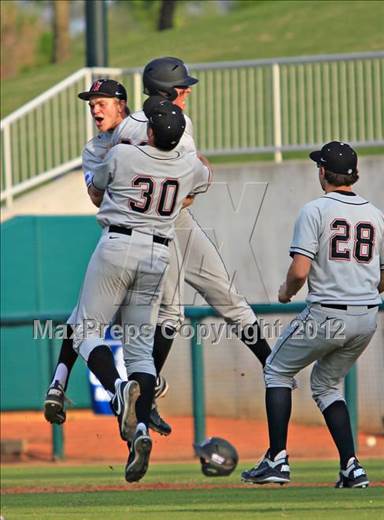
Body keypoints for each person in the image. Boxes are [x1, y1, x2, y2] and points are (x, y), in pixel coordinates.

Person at [44, 56, 272, 434]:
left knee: (102, 315)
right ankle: (265, 366)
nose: (187, 94)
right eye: (183, 89)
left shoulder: (120, 137)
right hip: (161, 224)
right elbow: (192, 186)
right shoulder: (173, 125)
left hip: (143, 223)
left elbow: (105, 188)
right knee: (195, 306)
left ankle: (79, 385)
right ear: (168, 92)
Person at [71, 98, 211, 482]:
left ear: (149, 131)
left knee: (85, 330)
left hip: (119, 244)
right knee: (141, 354)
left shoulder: (122, 155)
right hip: (158, 254)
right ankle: (140, 432)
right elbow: (204, 177)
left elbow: (97, 191)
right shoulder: (188, 165)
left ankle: (117, 390)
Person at [242, 141, 384, 488]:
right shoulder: (376, 214)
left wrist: (285, 292)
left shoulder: (315, 210)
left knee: (276, 368)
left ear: (322, 172)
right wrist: (362, 291)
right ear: (356, 175)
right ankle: (351, 467)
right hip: (366, 318)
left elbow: (300, 270)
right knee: (325, 385)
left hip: (327, 313)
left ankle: (277, 459)